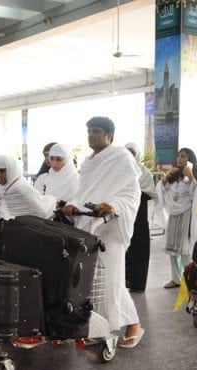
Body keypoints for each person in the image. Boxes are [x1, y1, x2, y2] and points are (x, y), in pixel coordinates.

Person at [62, 116, 143, 348]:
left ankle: (133, 324)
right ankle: (99, 327)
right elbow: (83, 193)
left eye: (96, 131)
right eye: (89, 131)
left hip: (111, 230)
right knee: (93, 281)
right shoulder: (88, 162)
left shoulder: (121, 158)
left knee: (112, 280)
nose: (91, 136)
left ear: (110, 135)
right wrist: (72, 204)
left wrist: (114, 205)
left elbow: (131, 194)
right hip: (88, 227)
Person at [159, 147, 197, 290]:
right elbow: (163, 192)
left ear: (190, 159)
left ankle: (189, 278)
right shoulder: (173, 174)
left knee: (185, 248)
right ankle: (175, 279)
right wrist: (166, 178)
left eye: (183, 156)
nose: (180, 159)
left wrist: (191, 177)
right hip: (173, 214)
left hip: (187, 214)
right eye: (178, 156)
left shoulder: (195, 174)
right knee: (172, 246)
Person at [0, 154, 56, 230]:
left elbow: (41, 211)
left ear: (11, 169)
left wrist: (52, 201)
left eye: (2, 171)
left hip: (20, 232)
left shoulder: (22, 188)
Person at [124, 142, 158, 292]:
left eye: (132, 152)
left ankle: (138, 282)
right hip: (124, 213)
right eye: (127, 152)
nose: (129, 154)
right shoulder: (119, 170)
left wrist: (135, 192)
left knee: (138, 247)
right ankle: (124, 280)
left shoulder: (144, 172)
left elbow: (150, 193)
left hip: (139, 214)